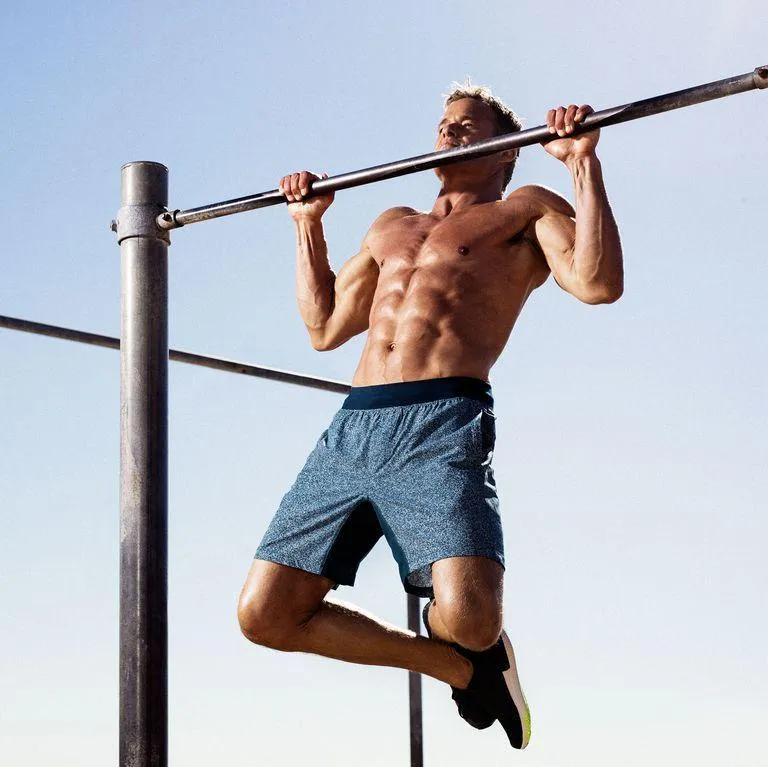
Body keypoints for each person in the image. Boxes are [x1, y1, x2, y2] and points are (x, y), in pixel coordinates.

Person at [237, 83, 623, 750]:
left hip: (441, 421)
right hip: (355, 427)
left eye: (465, 127)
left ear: (506, 151)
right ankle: (457, 668)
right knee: (264, 615)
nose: (446, 135)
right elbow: (325, 326)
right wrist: (308, 224)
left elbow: (597, 282)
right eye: (443, 125)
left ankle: (473, 647)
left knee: (473, 617)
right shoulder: (391, 223)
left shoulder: (522, 210)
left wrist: (581, 162)